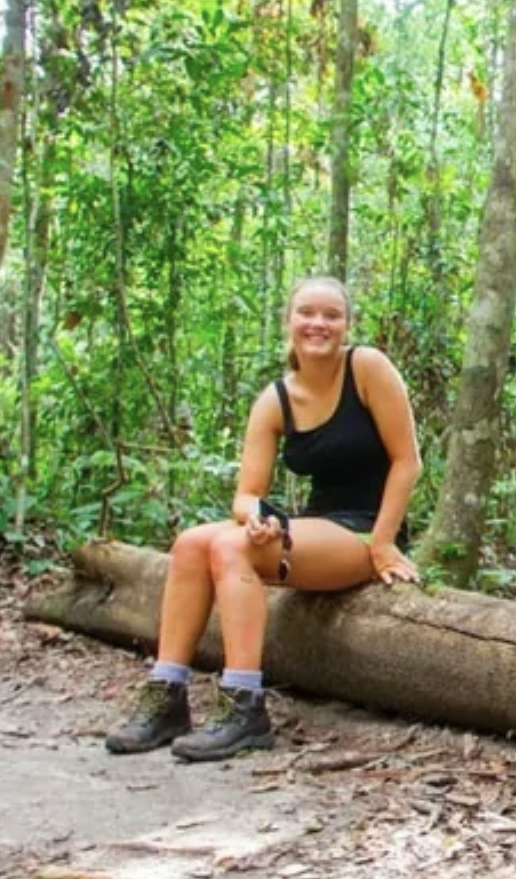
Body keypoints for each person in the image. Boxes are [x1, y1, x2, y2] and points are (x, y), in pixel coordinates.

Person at [105, 276, 422, 762]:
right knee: (192, 543)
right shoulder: (275, 399)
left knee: (230, 548)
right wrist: (258, 520)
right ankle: (166, 693)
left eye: (331, 315)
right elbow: (248, 494)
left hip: (364, 529)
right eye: (307, 313)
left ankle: (244, 705)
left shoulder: (367, 369)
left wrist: (382, 543)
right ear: (289, 322)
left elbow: (408, 461)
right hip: (316, 526)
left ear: (346, 325)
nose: (319, 324)